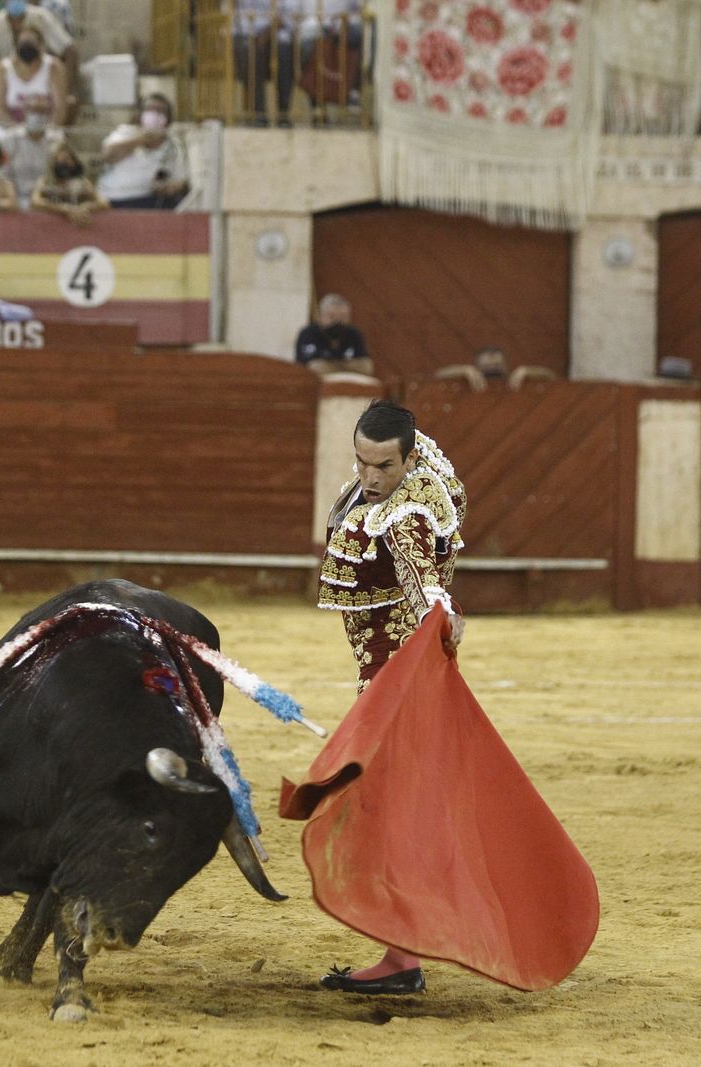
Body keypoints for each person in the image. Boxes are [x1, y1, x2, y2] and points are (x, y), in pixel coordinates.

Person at [311, 399, 467, 994]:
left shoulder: (404, 515)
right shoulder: (394, 490)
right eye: (362, 462)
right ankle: (402, 952)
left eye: (383, 466)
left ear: (407, 457)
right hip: (386, 684)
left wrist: (443, 612)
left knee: (388, 814)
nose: (370, 477)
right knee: (392, 812)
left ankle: (403, 960)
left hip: (398, 687)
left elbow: (420, 576)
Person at [0, 21, 64, 202]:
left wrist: (45, 130)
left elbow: (60, 108)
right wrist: (20, 132)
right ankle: (6, 192)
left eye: (32, 42)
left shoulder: (54, 67)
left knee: (56, 144)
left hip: (44, 129)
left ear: (41, 45)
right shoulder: (2, 68)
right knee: (2, 142)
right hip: (11, 129)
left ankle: (48, 192)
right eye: (23, 42)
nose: (27, 46)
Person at [96, 92, 188, 210]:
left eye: (160, 111)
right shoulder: (125, 132)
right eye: (149, 109)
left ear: (168, 117)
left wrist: (170, 188)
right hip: (113, 198)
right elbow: (107, 156)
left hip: (148, 200)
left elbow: (181, 181)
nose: (154, 114)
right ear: (140, 113)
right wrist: (141, 139)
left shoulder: (173, 145)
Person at [0, 0, 74, 88]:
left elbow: (70, 51)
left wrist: (66, 90)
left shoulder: (42, 18)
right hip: (5, 90)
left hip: (44, 89)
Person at [233, 0, 297, 126]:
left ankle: (283, 114)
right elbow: (234, 21)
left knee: (284, 55)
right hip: (247, 38)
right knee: (253, 55)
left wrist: (266, 34)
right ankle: (259, 114)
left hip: (278, 36)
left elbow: (287, 18)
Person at [30, 140, 104, 226]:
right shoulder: (44, 181)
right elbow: (35, 201)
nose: (64, 164)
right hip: (51, 226)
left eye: (67, 159)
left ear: (74, 162)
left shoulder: (83, 182)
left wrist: (86, 206)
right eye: (59, 160)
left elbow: (103, 202)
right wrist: (64, 208)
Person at [295, 293, 371, 375]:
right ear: (320, 317)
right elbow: (310, 365)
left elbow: (365, 364)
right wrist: (346, 364)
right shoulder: (308, 333)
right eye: (331, 317)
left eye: (343, 317)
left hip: (345, 380)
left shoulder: (354, 334)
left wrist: (332, 364)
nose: (337, 321)